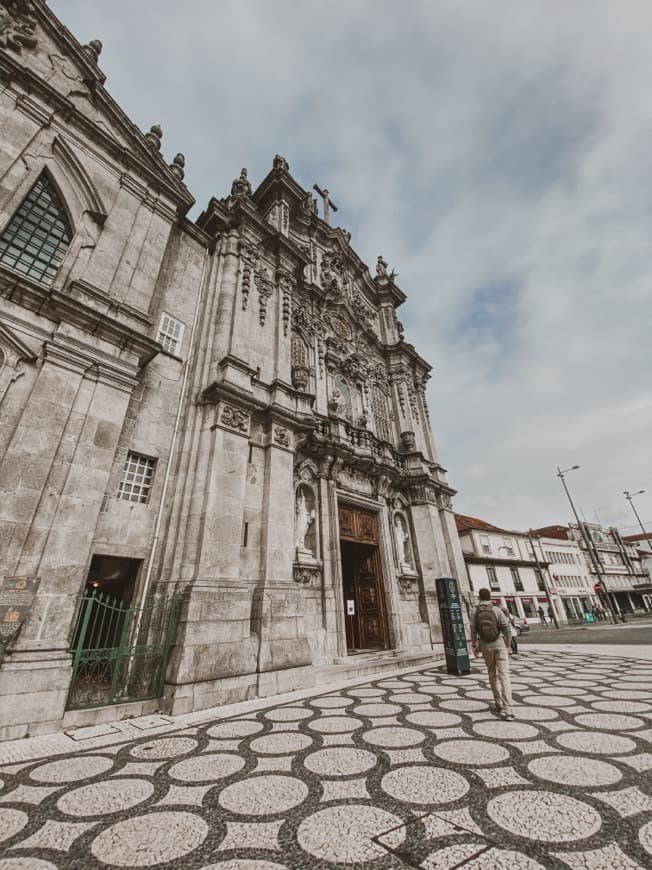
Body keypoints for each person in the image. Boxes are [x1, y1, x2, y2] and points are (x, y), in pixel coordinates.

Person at [471, 589, 515, 720]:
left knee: (492, 674)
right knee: (504, 676)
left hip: (485, 647)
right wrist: (508, 644)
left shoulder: (475, 610)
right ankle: (508, 710)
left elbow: (472, 630)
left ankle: (498, 703)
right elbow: (507, 628)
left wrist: (474, 645)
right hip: (499, 644)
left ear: (479, 597)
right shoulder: (496, 609)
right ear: (490, 597)